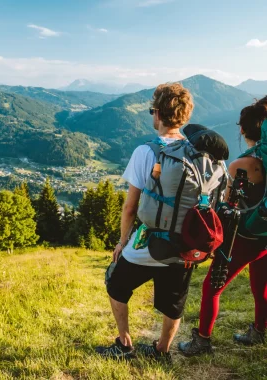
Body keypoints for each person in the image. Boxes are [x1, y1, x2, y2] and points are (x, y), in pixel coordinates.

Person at [95, 83, 195, 363]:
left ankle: (124, 344)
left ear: (159, 115)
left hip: (150, 242)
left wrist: (122, 242)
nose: (152, 115)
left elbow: (130, 207)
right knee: (173, 304)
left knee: (115, 283)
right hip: (186, 244)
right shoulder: (200, 154)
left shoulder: (146, 152)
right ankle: (162, 351)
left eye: (152, 110)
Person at [178, 97, 267, 356]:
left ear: (242, 130)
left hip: (246, 237)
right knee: (260, 286)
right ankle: (259, 331)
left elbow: (229, 207)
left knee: (211, 287)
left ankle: (202, 340)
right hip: (265, 235)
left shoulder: (242, 165)